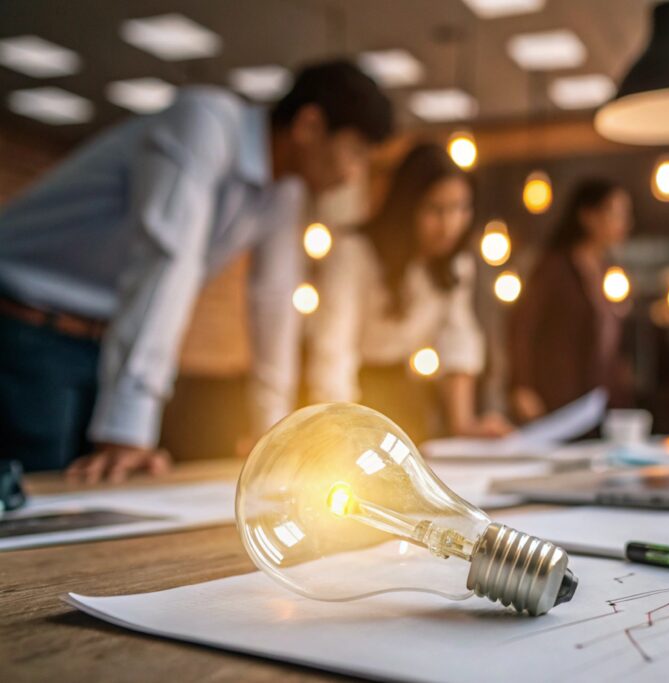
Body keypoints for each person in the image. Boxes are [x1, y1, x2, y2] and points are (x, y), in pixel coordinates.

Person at [0, 60, 393, 480]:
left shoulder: (284, 192)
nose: (355, 174)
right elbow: (168, 263)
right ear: (310, 125)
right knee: (36, 508)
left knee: (85, 502)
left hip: (101, 339)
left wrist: (274, 441)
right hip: (23, 323)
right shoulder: (202, 123)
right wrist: (129, 430)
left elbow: (275, 306)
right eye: (356, 152)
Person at [309, 142, 510, 443]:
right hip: (352, 396)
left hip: (407, 395)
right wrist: (342, 435)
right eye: (435, 209)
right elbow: (334, 350)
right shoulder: (354, 253)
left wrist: (464, 423)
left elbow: (458, 338)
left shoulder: (456, 264)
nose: (449, 225)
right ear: (407, 206)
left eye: (460, 208)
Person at [509, 179, 633, 422]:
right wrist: (521, 385)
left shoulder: (609, 271)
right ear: (588, 216)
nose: (625, 223)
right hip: (558, 397)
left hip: (599, 400)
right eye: (615, 213)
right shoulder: (554, 268)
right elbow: (522, 326)